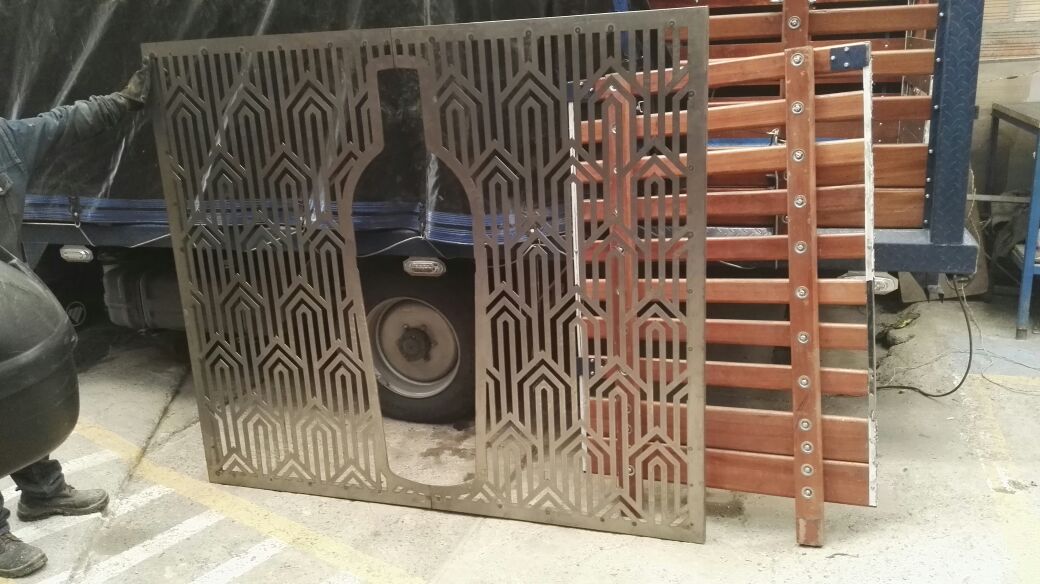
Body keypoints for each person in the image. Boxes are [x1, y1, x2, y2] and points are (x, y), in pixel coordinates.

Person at [0, 63, 151, 579]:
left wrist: (126, 100)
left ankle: (42, 492)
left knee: (20, 400)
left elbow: (67, 122)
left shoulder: (8, 141)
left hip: (8, 296)